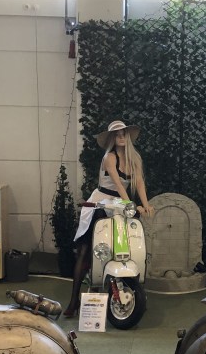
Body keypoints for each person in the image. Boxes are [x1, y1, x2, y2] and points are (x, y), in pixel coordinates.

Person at [63, 120, 154, 317]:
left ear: (128, 136)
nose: (121, 137)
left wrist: (146, 204)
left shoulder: (135, 158)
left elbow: (139, 182)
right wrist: (129, 204)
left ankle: (127, 286)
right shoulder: (109, 157)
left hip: (119, 204)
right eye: (117, 135)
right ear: (112, 138)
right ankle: (73, 300)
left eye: (123, 134)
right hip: (101, 202)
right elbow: (118, 185)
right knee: (85, 249)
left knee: (125, 241)